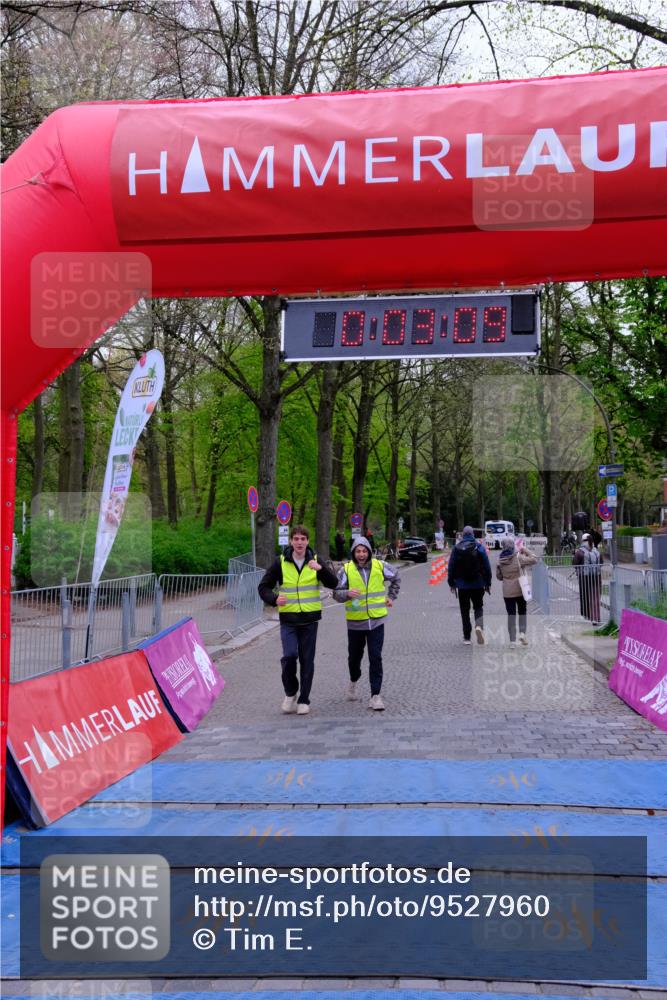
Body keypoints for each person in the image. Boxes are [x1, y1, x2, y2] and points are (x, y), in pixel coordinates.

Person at [258, 524, 338, 715]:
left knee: (307, 660)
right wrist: (274, 598)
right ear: (291, 541)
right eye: (296, 539)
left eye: (303, 539)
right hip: (289, 619)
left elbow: (334, 584)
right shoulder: (281, 562)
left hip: (310, 620)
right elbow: (263, 587)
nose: (300, 542)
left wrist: (321, 569)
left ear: (308, 541)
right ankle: (291, 692)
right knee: (289, 657)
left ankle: (304, 699)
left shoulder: (317, 561)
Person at [333, 536, 400, 710]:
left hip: (377, 621)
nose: (361, 554)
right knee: (354, 659)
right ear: (353, 553)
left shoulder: (380, 565)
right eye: (358, 551)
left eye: (364, 551)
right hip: (356, 623)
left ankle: (375, 696)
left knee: (375, 657)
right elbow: (336, 593)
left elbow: (396, 577)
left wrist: (391, 597)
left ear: (369, 551)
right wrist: (347, 593)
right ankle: (353, 681)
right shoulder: (345, 570)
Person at [447, 525, 492, 644]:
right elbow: (487, 567)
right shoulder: (479, 547)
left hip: (462, 585)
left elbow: (451, 567)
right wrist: (488, 583)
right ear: (473, 534)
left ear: (463, 535)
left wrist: (451, 583)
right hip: (478, 583)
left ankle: (467, 637)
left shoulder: (456, 548)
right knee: (478, 607)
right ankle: (479, 627)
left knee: (464, 610)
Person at [495, 537, 539, 646]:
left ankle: (512, 641)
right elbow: (534, 559)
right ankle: (522, 634)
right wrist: (524, 549)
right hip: (520, 589)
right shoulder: (518, 557)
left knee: (511, 614)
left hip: (507, 592)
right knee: (522, 612)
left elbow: (499, 576)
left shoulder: (500, 560)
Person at [572, 532, 603, 625]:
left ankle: (585, 617)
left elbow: (574, 563)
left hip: (584, 578)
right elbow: (601, 563)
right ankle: (596, 618)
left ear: (582, 541)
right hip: (596, 577)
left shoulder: (580, 552)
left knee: (584, 597)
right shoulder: (596, 551)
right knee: (595, 597)